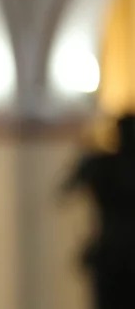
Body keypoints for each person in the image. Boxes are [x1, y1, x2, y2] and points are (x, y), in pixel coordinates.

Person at [65, 114, 135, 309]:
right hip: (111, 253)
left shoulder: (101, 163)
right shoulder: (102, 163)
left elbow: (67, 188)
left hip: (109, 252)